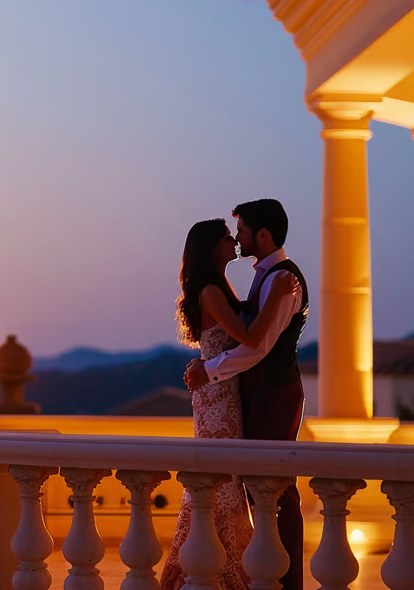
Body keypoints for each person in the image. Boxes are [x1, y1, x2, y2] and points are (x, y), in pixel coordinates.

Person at [159, 216, 299, 590]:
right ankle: (220, 573)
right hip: (218, 399)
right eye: (225, 237)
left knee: (228, 481)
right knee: (222, 483)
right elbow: (252, 338)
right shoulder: (211, 292)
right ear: (211, 249)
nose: (233, 241)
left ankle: (223, 567)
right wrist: (279, 296)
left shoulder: (217, 288)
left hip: (222, 393)